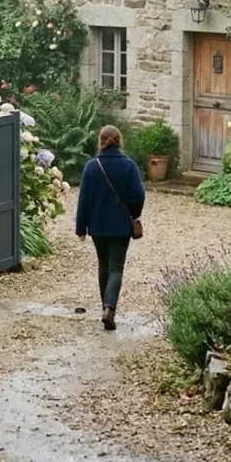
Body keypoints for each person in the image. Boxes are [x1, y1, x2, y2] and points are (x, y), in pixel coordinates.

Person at [74, 125, 145, 331]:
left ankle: (105, 305)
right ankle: (109, 307)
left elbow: (83, 200)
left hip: (96, 226)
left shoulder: (91, 166)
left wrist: (81, 227)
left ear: (100, 141)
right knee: (116, 268)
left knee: (103, 264)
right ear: (120, 141)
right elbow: (139, 196)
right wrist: (134, 213)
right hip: (121, 226)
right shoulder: (129, 166)